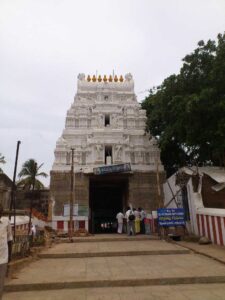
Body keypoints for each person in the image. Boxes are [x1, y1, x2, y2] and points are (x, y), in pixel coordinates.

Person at [0, 203, 13, 300]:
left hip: (3, 258)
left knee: (0, 284)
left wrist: (10, 257)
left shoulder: (6, 222)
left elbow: (10, 239)